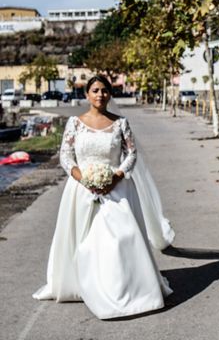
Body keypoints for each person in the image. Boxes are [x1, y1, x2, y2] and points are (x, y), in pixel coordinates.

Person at [34, 75, 174, 319]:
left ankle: (123, 288)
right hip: (81, 189)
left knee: (121, 238)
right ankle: (82, 282)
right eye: (95, 90)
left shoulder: (120, 123)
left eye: (105, 90)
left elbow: (131, 154)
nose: (100, 94)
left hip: (116, 188)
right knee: (84, 240)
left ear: (110, 94)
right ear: (87, 94)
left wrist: (116, 177)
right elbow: (66, 157)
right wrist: (84, 179)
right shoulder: (75, 123)